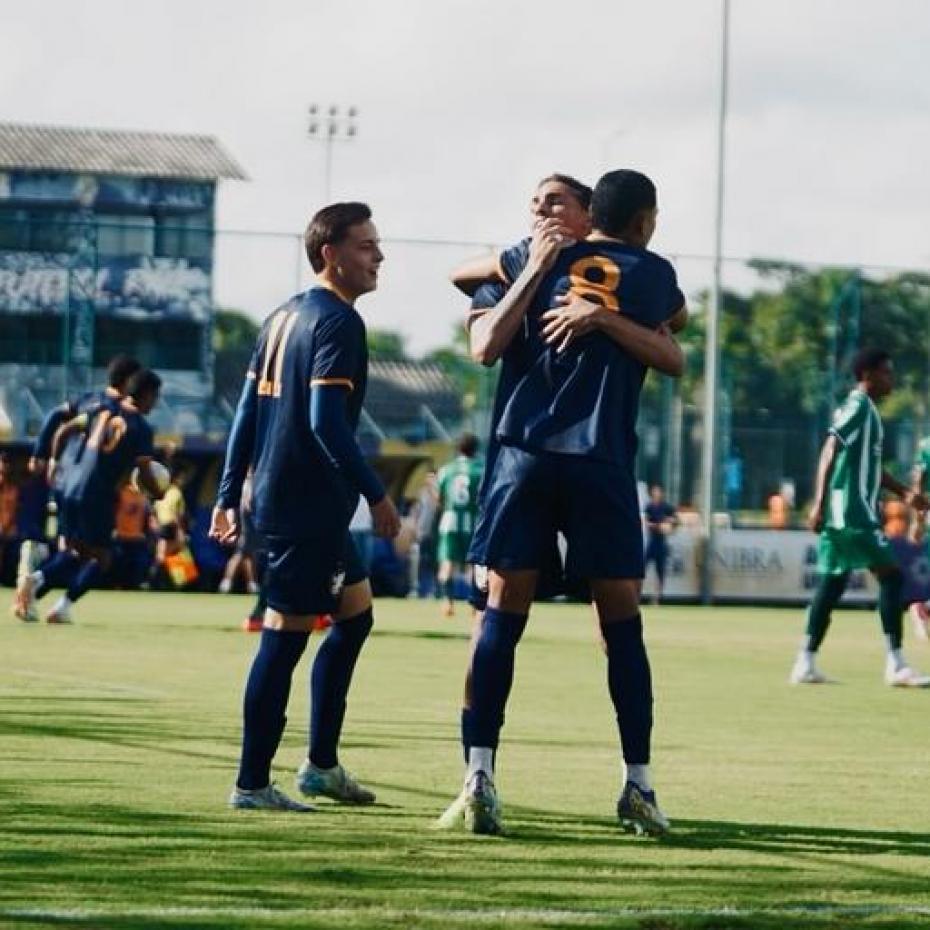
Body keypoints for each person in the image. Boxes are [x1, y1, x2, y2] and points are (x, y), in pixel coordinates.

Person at [438, 169, 687, 837]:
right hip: (594, 462)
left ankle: (486, 773)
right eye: (536, 203)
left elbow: (466, 279)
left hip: (525, 458)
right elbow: (676, 338)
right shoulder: (647, 270)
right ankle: (624, 782)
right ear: (645, 219)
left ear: (587, 211)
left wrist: (551, 276)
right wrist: (604, 307)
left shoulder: (524, 259)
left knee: (511, 617)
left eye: (555, 201)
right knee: (611, 626)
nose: (543, 211)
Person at [211, 201, 400, 813]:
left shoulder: (281, 317)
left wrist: (226, 495)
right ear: (331, 255)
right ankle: (250, 783)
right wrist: (377, 493)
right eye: (366, 245)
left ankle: (320, 765)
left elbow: (245, 413)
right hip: (304, 506)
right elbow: (324, 421)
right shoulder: (337, 323)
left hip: (294, 502)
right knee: (285, 637)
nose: (378, 256)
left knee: (356, 615)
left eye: (377, 244)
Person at [789, 349, 930, 687]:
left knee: (832, 584)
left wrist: (905, 494)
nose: (891, 380)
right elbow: (830, 448)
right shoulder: (858, 407)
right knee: (892, 577)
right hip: (851, 512)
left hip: (848, 511)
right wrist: (819, 503)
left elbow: (869, 466)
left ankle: (804, 661)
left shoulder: (868, 413)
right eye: (886, 373)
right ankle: (896, 664)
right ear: (867, 374)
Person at [13, 369, 164, 624]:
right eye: (156, 396)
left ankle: (36, 594)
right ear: (147, 394)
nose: (156, 403)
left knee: (75, 552)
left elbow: (63, 430)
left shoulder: (99, 409)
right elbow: (147, 472)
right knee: (102, 558)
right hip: (98, 494)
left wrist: (54, 462)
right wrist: (157, 491)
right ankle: (49, 593)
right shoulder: (140, 427)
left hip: (70, 486)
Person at [436, 433, 484, 617]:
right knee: (475, 565)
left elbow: (440, 499)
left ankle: (448, 602)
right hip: (473, 523)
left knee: (447, 564)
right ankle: (475, 606)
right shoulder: (481, 470)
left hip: (449, 523)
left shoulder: (446, 470)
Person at [643, 484, 678, 604]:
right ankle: (637, 595)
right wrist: (658, 526)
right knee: (643, 568)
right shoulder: (649, 506)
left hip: (661, 542)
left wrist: (669, 524)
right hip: (652, 541)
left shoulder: (666, 507)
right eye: (655, 491)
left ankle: (657, 597)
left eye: (659, 491)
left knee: (660, 571)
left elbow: (675, 520)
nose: (657, 494)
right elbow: (646, 522)